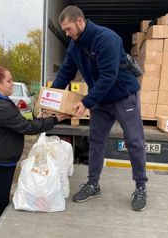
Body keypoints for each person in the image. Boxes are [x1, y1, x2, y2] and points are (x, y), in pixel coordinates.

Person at [51, 5, 148, 211]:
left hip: (123, 96)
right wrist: (50, 99)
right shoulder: (75, 46)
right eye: (64, 31)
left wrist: (86, 102)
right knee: (96, 141)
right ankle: (93, 183)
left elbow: (108, 77)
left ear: (80, 21)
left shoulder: (107, 39)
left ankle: (140, 187)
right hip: (101, 100)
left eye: (68, 29)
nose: (67, 34)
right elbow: (65, 73)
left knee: (134, 141)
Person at [0, 66, 69, 237]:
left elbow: (18, 122)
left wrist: (39, 119)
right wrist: (54, 119)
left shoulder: (0, 103)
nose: (12, 84)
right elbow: (25, 127)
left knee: (0, 201)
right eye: (9, 81)